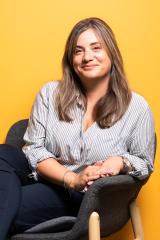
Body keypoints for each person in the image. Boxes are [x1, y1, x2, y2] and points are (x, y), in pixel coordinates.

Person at [0, 17, 155, 240]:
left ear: (111, 52)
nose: (87, 57)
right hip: (42, 177)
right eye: (78, 51)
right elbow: (32, 149)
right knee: (3, 153)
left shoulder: (136, 107)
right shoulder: (50, 93)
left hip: (78, 197)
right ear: (71, 59)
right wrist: (70, 177)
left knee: (5, 206)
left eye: (96, 48)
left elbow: (144, 161)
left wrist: (121, 162)